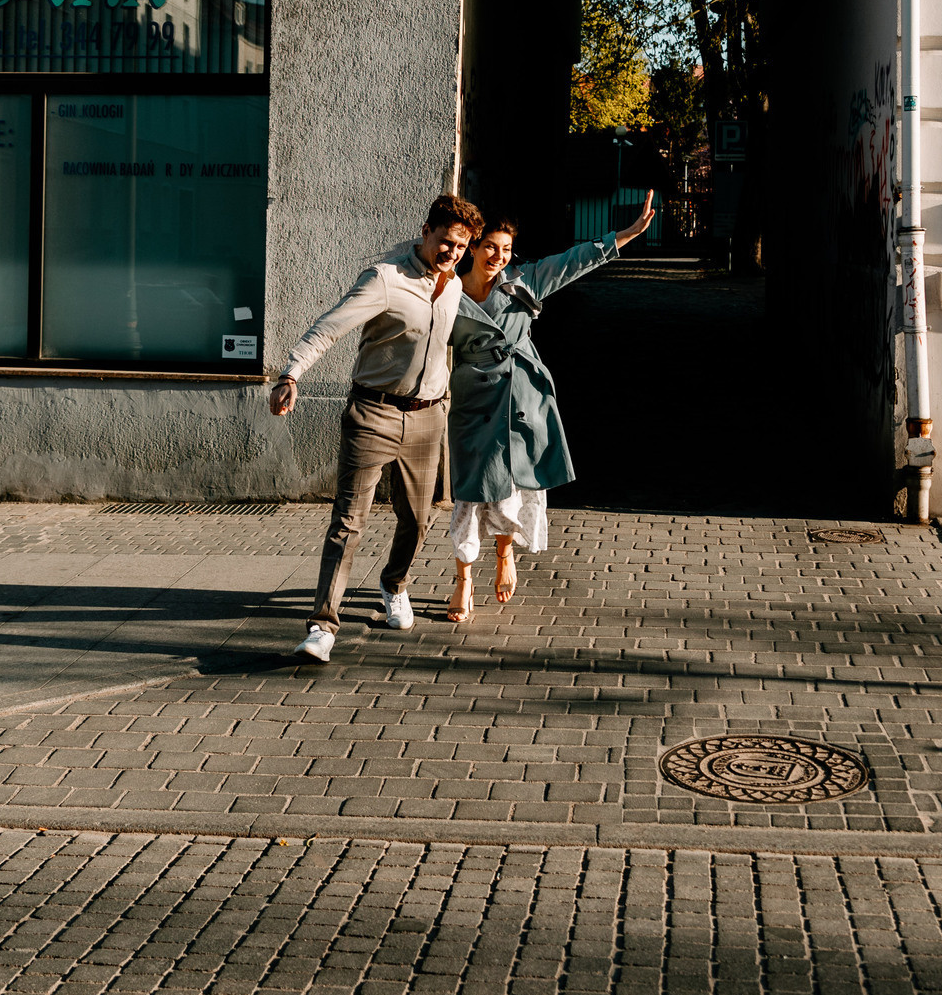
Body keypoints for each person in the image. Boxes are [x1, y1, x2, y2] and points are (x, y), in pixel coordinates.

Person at [268, 193, 485, 663]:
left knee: (419, 518)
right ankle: (322, 626)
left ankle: (394, 584)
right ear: (426, 231)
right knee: (348, 524)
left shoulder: (452, 286)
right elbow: (329, 327)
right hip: (373, 414)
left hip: (430, 417)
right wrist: (291, 374)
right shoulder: (385, 279)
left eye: (461, 248)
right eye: (446, 242)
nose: (452, 254)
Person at [441, 191, 657, 622]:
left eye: (506, 249)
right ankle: (462, 578)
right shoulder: (446, 290)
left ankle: (505, 556)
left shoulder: (525, 281)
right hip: (473, 398)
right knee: (469, 492)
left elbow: (574, 260)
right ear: (473, 247)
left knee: (513, 484)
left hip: (521, 394)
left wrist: (624, 236)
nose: (499, 257)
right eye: (490, 248)